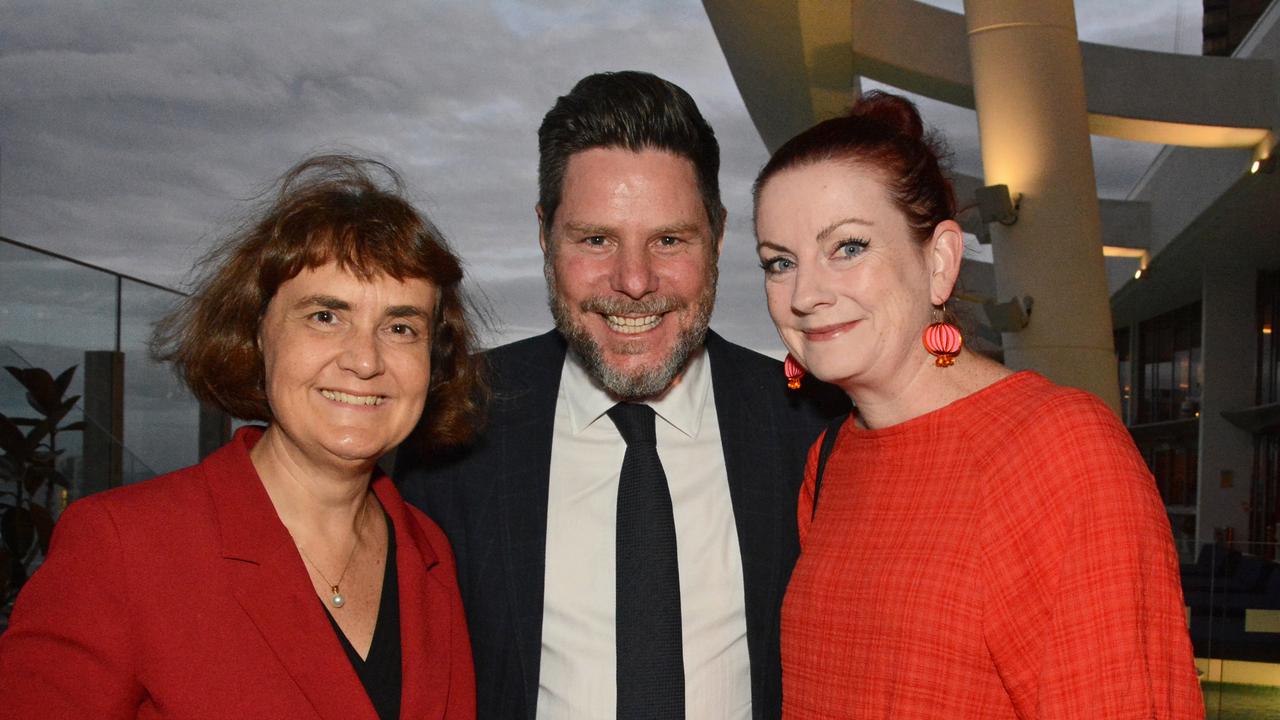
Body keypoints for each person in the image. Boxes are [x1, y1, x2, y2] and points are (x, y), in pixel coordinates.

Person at [395, 71, 847, 720]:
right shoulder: (454, 424)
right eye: (596, 239)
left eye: (669, 240)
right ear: (545, 235)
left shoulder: (811, 427)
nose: (634, 281)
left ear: (717, 236)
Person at [752, 91, 1203, 718]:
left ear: (939, 260)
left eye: (848, 247)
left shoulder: (1059, 450)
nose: (806, 294)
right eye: (779, 262)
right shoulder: (828, 460)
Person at [0, 155, 480, 719]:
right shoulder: (123, 547)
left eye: (401, 327)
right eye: (326, 315)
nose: (365, 360)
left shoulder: (431, 553)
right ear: (255, 334)